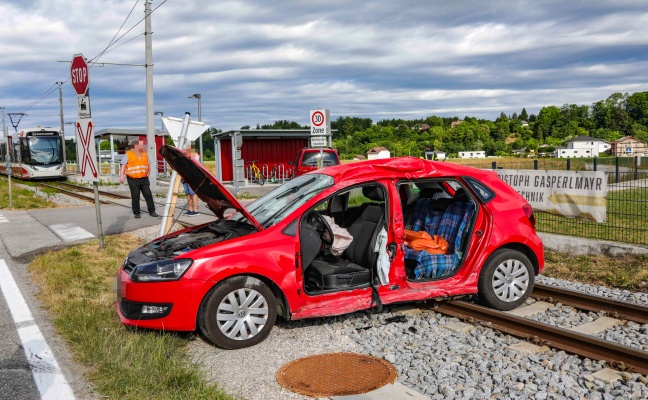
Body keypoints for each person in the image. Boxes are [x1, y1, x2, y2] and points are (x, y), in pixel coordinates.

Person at [119, 138, 158, 218]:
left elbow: (148, 165)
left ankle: (152, 211)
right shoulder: (128, 154)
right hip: (133, 179)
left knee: (148, 194)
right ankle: (136, 212)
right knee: (135, 196)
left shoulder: (144, 154)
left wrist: (148, 172)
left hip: (144, 179)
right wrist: (121, 176)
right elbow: (123, 165)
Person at [182, 143, 201, 216]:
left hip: (192, 177)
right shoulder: (183, 156)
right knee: (187, 193)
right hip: (184, 177)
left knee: (193, 193)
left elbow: (195, 166)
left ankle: (195, 210)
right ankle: (190, 209)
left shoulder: (195, 155)